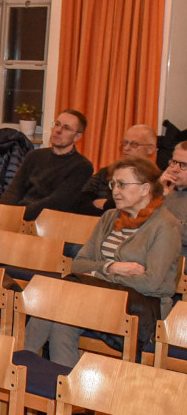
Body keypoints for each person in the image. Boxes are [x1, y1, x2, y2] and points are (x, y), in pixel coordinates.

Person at [23, 157, 182, 367]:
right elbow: (79, 264)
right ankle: (63, 388)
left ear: (145, 189)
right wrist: (111, 267)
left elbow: (151, 283)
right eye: (113, 184)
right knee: (62, 320)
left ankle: (22, 364)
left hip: (139, 308)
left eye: (123, 184)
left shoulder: (165, 225)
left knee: (56, 300)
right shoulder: (110, 217)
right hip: (95, 298)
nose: (115, 191)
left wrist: (99, 274)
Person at [1, 110, 95, 221]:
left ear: (77, 137)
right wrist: (4, 211)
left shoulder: (82, 167)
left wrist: (18, 215)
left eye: (66, 128)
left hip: (44, 222)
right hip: (16, 215)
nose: (58, 130)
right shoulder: (35, 155)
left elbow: (57, 202)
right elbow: (14, 190)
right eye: (57, 124)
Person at [77, 124, 157, 215]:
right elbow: (83, 198)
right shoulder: (105, 172)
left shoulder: (155, 178)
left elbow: (137, 207)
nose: (126, 148)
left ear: (150, 149)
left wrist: (107, 204)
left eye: (134, 144)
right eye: (124, 143)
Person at [159, 142, 187, 254]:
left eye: (183, 165)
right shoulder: (160, 188)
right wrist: (158, 195)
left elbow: (184, 234)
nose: (175, 169)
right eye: (174, 162)